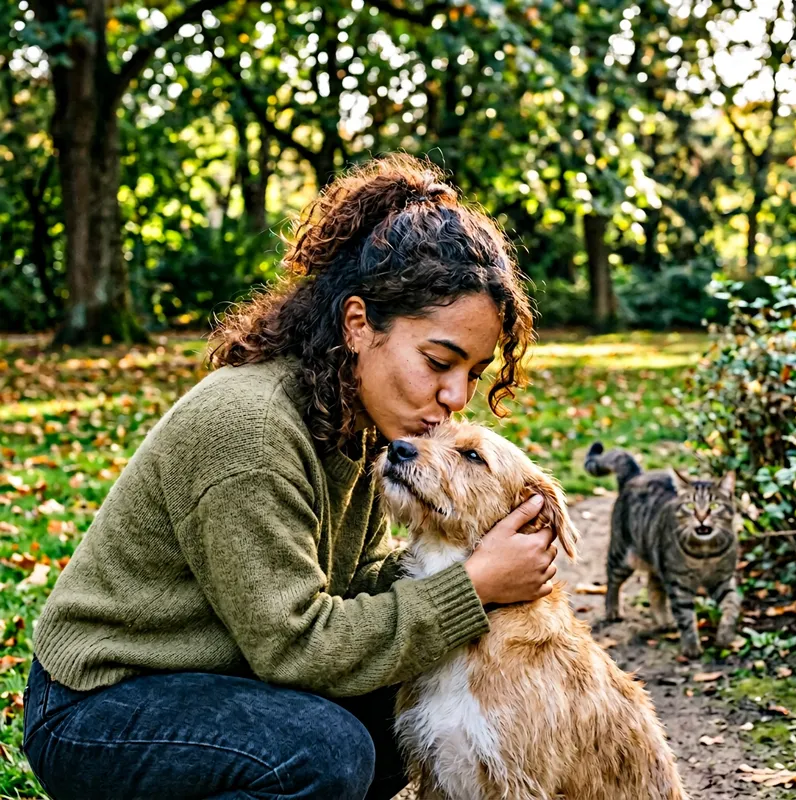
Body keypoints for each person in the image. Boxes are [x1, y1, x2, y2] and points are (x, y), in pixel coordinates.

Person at [23, 154, 558, 800]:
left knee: (407, 714)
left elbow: (351, 589)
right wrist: (469, 588)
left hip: (222, 675)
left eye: (472, 373)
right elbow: (297, 645)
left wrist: (464, 557)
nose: (455, 396)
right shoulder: (247, 428)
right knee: (325, 753)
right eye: (439, 361)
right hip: (100, 706)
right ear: (359, 325)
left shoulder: (360, 424)